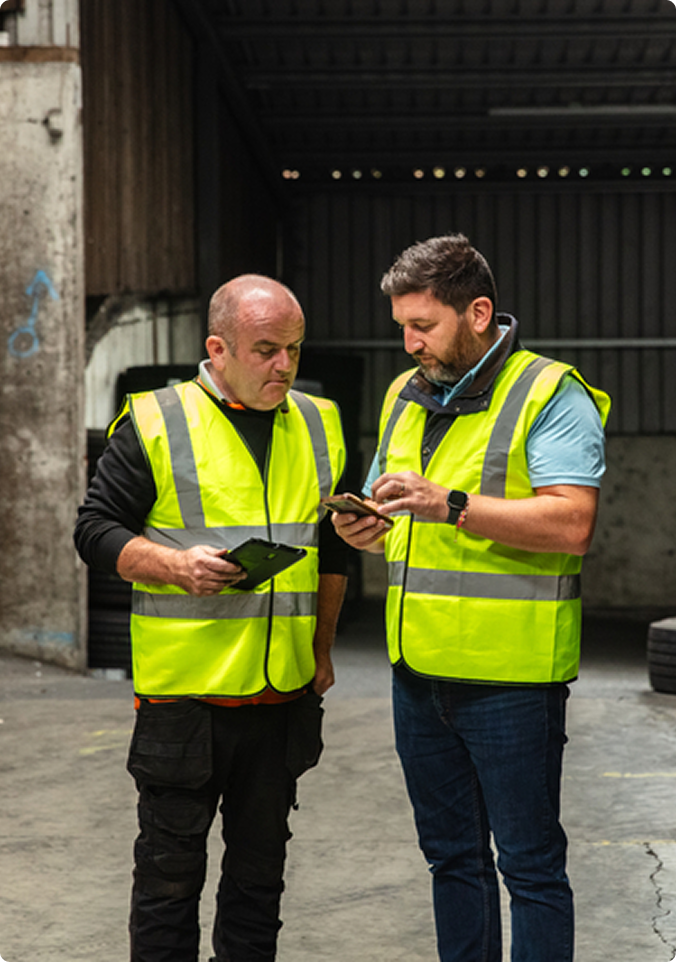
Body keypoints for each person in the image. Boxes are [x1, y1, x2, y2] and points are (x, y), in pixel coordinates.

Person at [331, 234, 610, 962]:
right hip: (416, 672)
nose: (408, 343)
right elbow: (401, 515)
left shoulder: (551, 393)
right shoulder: (405, 396)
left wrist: (448, 502)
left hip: (510, 681)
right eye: (402, 327)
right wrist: (365, 527)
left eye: (423, 326)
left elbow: (572, 523)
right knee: (451, 859)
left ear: (478, 312)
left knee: (530, 868)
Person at [74, 274, 348, 962]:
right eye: (266, 350)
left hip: (280, 696)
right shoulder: (157, 421)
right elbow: (94, 530)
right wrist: (175, 566)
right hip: (184, 702)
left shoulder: (320, 422)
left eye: (293, 349)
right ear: (217, 349)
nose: (284, 366)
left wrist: (320, 652)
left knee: (259, 888)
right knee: (169, 886)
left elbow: (334, 549)